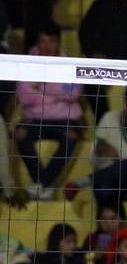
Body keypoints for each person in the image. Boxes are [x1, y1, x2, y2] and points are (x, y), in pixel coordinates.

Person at [15, 21, 82, 200]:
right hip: (34, 119)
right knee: (19, 133)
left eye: (51, 41)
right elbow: (24, 96)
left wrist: (41, 86)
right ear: (37, 43)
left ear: (58, 42)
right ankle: (46, 184)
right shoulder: (26, 63)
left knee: (72, 136)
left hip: (64, 119)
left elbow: (73, 92)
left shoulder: (69, 63)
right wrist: (57, 89)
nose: (47, 46)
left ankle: (41, 184)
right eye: (42, 41)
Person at [64, 87, 127, 206]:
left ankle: (83, 182)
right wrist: (99, 151)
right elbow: (94, 161)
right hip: (113, 182)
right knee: (103, 187)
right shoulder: (110, 118)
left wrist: (117, 158)